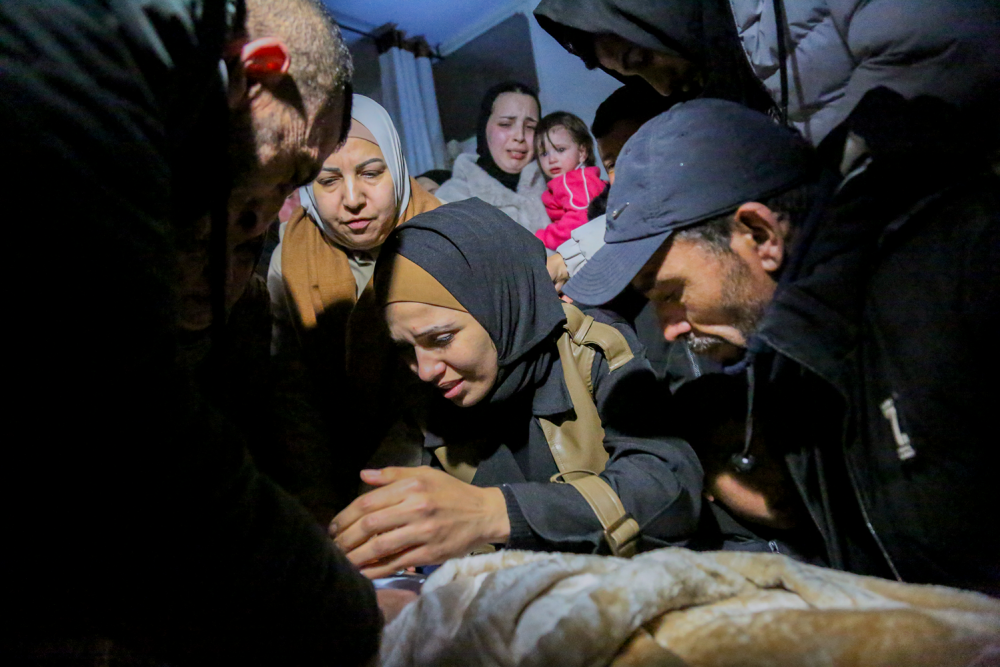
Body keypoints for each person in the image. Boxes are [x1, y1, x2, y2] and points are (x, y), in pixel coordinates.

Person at [2, 0, 389, 663]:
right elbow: (132, 446)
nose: (261, 217)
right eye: (292, 170)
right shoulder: (81, 63)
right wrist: (361, 621)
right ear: (255, 72)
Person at [565, 95, 999, 593]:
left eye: (670, 293)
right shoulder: (795, 347)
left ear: (760, 234)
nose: (669, 328)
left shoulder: (965, 269)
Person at [329, 198, 704, 578]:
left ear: (501, 302)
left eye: (441, 338)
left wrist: (494, 513)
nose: (425, 370)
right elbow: (374, 514)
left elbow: (669, 492)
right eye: (405, 348)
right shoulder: (426, 397)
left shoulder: (593, 352)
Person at [268, 94, 441, 523]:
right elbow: (291, 396)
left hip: (440, 471)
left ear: (396, 167)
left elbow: (436, 397)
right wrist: (317, 504)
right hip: (326, 477)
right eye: (328, 180)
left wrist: (372, 500)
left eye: (371, 173)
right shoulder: (291, 256)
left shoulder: (447, 238)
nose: (352, 199)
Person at [534, 0, 1000, 147]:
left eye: (642, 59)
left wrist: (834, 209)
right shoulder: (734, 60)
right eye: (633, 76)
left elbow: (938, 51)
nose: (661, 86)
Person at [435, 82, 549, 234]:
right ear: (484, 129)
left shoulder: (556, 185)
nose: (520, 136)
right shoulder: (452, 199)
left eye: (530, 127)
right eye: (505, 124)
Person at [533, 111, 608, 251]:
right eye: (544, 153)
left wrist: (540, 239)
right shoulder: (574, 180)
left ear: (582, 153)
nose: (552, 159)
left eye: (560, 150)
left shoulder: (574, 182)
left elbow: (579, 223)